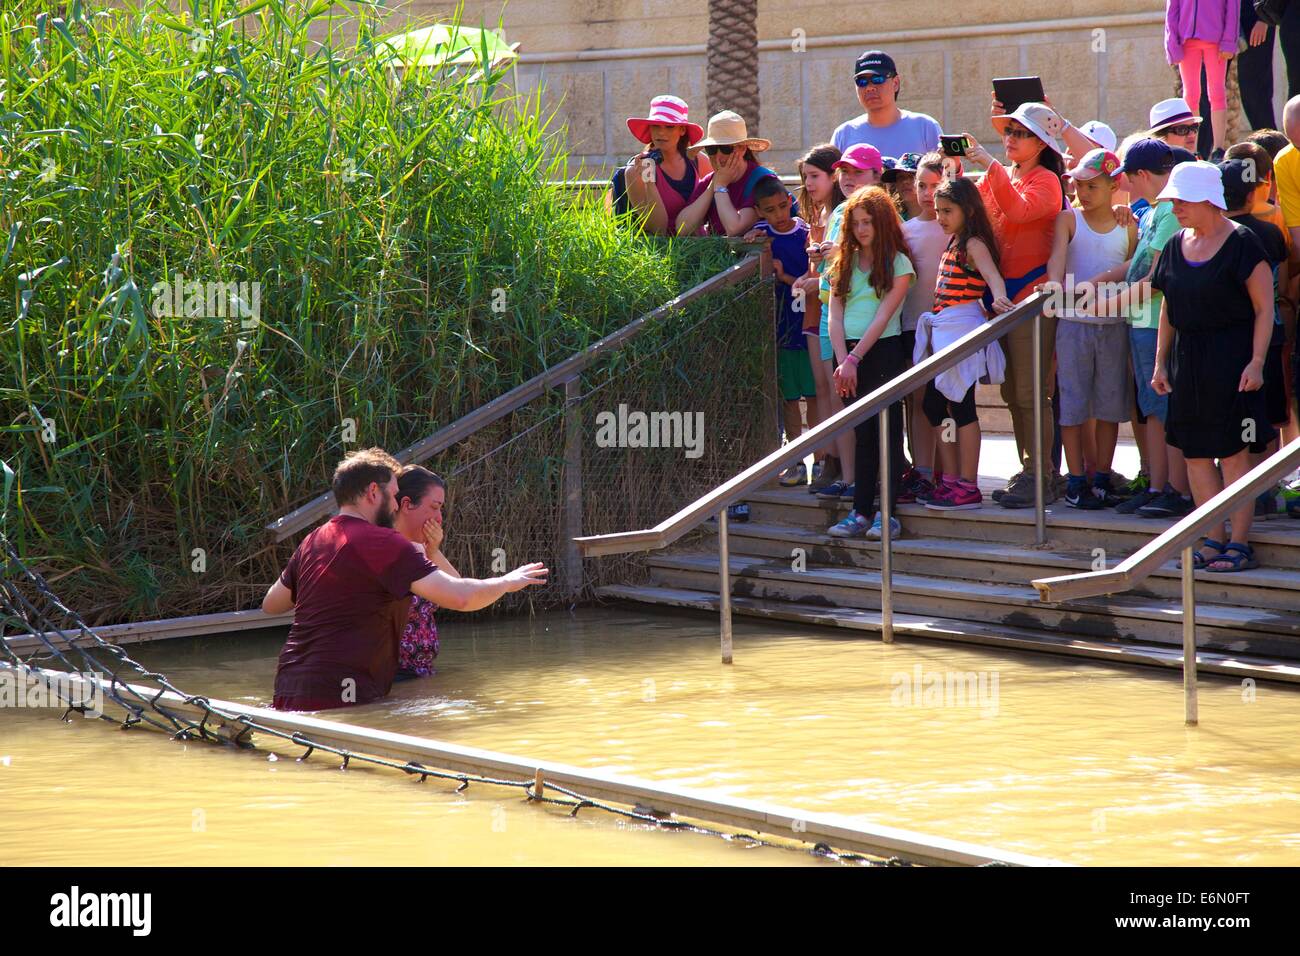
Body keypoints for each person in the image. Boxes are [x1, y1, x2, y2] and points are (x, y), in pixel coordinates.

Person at [262, 449, 547, 710]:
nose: (397, 505)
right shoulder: (385, 542)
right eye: (394, 495)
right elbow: (461, 597)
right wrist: (508, 581)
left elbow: (272, 604)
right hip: (342, 696)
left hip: (287, 690)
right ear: (374, 492)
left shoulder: (313, 540)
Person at [1151, 161, 1275, 571]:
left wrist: (1257, 362)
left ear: (1207, 199)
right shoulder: (1174, 245)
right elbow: (1169, 306)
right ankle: (1212, 536)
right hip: (1188, 360)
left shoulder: (1243, 243)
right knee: (1195, 454)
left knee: (1234, 453)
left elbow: (1264, 309)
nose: (1175, 209)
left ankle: (1240, 541)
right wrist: (1161, 364)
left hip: (1234, 360)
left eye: (1182, 201)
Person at [959, 101, 1068, 509]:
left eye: (1020, 133)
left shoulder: (1047, 181)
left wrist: (989, 165)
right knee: (1012, 391)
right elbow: (983, 214)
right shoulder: (1007, 174)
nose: (1010, 139)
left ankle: (1041, 474)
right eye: (1008, 131)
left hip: (1033, 299)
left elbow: (1019, 210)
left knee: (1030, 392)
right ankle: (1034, 471)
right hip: (1005, 299)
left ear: (1041, 143)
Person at [1090, 139, 1196, 518]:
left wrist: (1105, 305)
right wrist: (1095, 281)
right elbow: (1135, 264)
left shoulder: (1169, 212)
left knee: (1166, 408)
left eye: (1128, 179)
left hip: (1158, 324)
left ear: (1144, 175)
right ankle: (1157, 485)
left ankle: (1179, 490)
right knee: (1151, 409)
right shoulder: (1150, 212)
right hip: (1141, 323)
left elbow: (1155, 278)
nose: (1126, 187)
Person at [1045, 148, 1138, 510]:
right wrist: (1054, 285)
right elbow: (1056, 260)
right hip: (1072, 324)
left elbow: (1133, 267)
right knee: (1073, 404)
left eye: (1092, 185)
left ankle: (1101, 477)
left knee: (1110, 404)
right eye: (1079, 184)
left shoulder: (1128, 223)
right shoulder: (1068, 219)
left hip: (1114, 325)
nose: (1083, 192)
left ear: (1114, 185)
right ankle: (1076, 481)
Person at [914, 176, 1012, 511]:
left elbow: (992, 277)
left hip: (962, 330)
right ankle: (952, 478)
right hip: (944, 331)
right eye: (938, 210)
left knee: (962, 406)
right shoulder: (955, 240)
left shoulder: (973, 243)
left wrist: (999, 298)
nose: (941, 216)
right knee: (935, 405)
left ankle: (967, 484)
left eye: (948, 210)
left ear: (967, 210)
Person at [824, 187, 915, 539]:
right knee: (862, 435)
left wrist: (853, 358)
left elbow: (883, 316)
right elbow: (835, 314)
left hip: (882, 352)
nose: (862, 229)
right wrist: (841, 359)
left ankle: (887, 514)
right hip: (846, 358)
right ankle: (860, 511)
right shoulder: (841, 262)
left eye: (869, 222)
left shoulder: (897, 263)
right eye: (856, 223)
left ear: (882, 223)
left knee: (888, 434)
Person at [809, 143, 886, 501]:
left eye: (858, 171)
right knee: (839, 397)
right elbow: (829, 267)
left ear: (876, 174)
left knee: (865, 403)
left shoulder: (880, 211)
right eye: (845, 171)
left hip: (865, 317)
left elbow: (881, 259)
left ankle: (870, 480)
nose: (849, 178)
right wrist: (819, 256)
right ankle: (849, 475)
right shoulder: (838, 209)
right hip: (830, 310)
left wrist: (842, 253)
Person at [1221, 158, 1292, 516]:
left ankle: (1236, 489)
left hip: (1229, 342)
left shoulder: (1215, 236)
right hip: (1270, 337)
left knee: (1236, 415)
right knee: (1268, 416)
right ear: (1253, 194)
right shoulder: (1267, 233)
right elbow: (1280, 278)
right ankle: (1264, 489)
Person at [745, 177, 817, 484]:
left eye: (783, 206)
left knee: (815, 396)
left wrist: (785, 276)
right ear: (759, 211)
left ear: (790, 199)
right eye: (770, 210)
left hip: (810, 326)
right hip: (782, 330)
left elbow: (810, 280)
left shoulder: (807, 231)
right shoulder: (761, 236)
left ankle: (823, 456)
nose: (779, 214)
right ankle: (796, 460)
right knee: (790, 399)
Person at [794, 144, 848, 491]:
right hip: (814, 311)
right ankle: (827, 458)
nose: (809, 184)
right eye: (805, 177)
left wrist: (814, 280)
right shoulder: (817, 216)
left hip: (837, 308)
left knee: (835, 387)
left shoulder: (843, 214)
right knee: (820, 387)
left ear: (834, 176)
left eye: (815, 176)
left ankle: (842, 461)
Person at [895, 153, 949, 503]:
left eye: (935, 186)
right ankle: (924, 470)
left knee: (944, 400)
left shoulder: (957, 226)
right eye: (922, 186)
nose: (929, 194)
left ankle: (949, 472)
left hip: (949, 326)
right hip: (912, 326)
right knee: (916, 400)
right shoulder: (904, 230)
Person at [392, 465, 460, 679]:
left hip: (420, 673)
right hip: (396, 678)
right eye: (434, 507)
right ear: (406, 504)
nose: (439, 518)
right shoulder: (385, 549)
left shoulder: (421, 550)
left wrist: (433, 550)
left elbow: (458, 591)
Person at [611, 95, 711, 235]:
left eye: (669, 127)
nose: (661, 132)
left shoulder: (700, 161)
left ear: (682, 130)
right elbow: (658, 229)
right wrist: (650, 184)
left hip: (704, 251)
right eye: (656, 126)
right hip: (661, 253)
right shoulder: (635, 171)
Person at [675, 111, 775, 237]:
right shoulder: (710, 181)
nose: (718, 157)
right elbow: (682, 229)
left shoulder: (762, 180)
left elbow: (734, 229)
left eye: (725, 148)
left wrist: (720, 186)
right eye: (711, 149)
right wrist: (714, 184)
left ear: (743, 148)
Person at [832, 50, 942, 159]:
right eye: (862, 82)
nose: (869, 88)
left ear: (895, 83)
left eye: (877, 79)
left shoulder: (925, 127)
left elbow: (950, 173)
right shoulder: (843, 135)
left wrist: (955, 166)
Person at [1165, 0, 1238, 158]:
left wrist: (1228, 42)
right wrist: (1172, 44)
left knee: (1217, 93)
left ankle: (1218, 148)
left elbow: (1233, 7)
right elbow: (1172, 10)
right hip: (1186, 40)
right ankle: (1191, 150)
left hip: (1216, 40)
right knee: (1190, 96)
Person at [1238, 1, 1278, 132]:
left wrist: (1264, 19)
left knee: (1255, 89)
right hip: (1221, 18)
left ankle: (1271, 143)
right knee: (1209, 91)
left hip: (1256, 18)